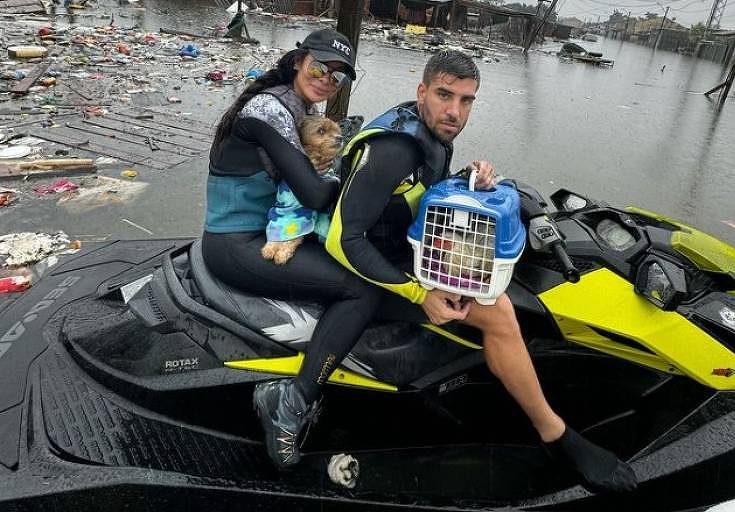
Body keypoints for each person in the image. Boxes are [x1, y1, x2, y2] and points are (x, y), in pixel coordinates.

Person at [323, 50, 638, 493]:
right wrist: (420, 294)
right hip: (364, 269)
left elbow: (422, 194)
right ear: (422, 92)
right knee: (499, 312)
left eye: (467, 100)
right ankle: (556, 433)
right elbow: (343, 238)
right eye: (444, 95)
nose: (455, 111)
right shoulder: (393, 148)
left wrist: (470, 179)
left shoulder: (432, 132)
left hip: (399, 250)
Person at [202, 29, 384, 470]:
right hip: (235, 244)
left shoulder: (295, 106)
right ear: (299, 60)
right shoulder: (269, 110)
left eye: (338, 77)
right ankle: (289, 403)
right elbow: (313, 194)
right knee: (363, 290)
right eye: (320, 67)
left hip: (266, 232)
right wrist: (364, 182)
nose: (326, 80)